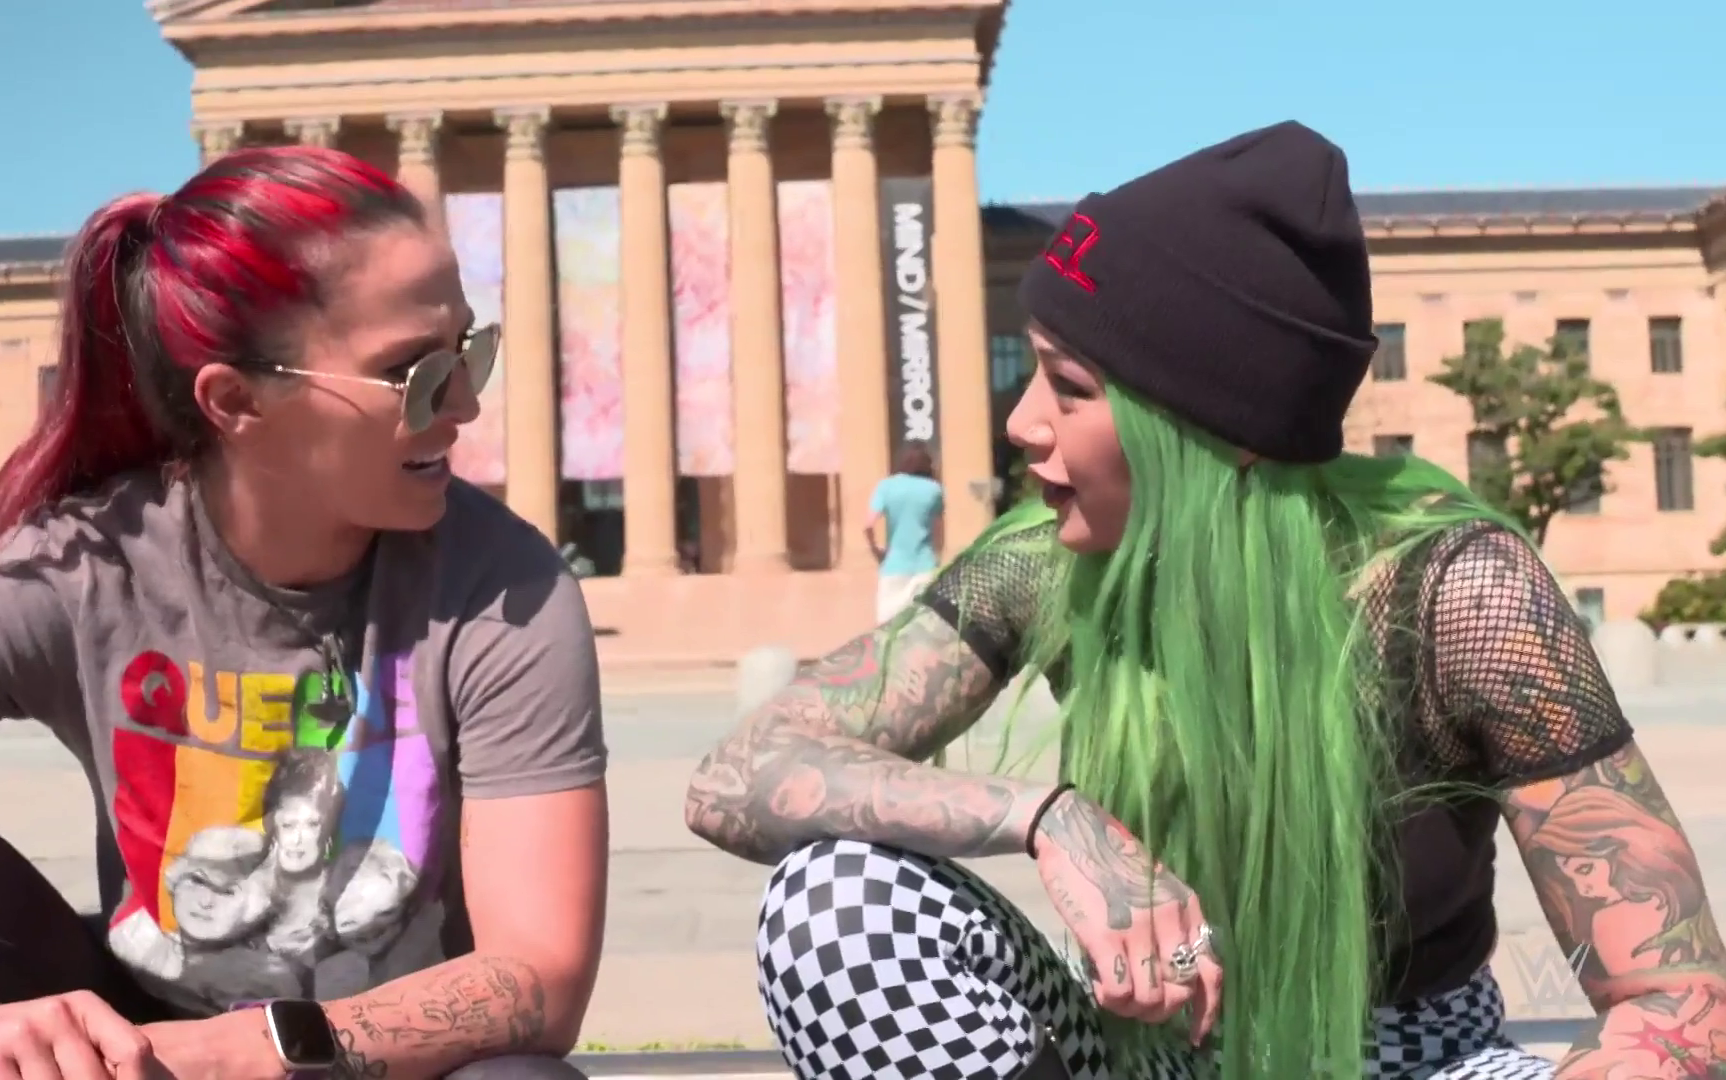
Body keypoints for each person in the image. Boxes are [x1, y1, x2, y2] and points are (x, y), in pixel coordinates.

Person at [684, 122, 1726, 1080]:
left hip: (1411, 1062)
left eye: (1070, 387)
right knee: (834, 909)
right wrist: (1048, 817)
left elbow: (1678, 1007)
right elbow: (738, 776)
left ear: (1205, 428)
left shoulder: (1458, 591)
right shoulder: (1043, 564)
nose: (1021, 422)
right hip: (1148, 1054)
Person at [0, 146, 608, 1080]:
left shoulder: (503, 587)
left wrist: (256, 1050)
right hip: (134, 1044)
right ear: (236, 402)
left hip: (373, 1059)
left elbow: (541, 977)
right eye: (414, 373)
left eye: (469, 350)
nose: (464, 404)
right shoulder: (80, 569)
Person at [866, 441, 946, 623]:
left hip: (894, 567)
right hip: (925, 567)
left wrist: (876, 551)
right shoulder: (934, 489)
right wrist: (937, 559)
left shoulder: (886, 486)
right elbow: (938, 534)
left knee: (888, 627)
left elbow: (868, 525)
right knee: (922, 626)